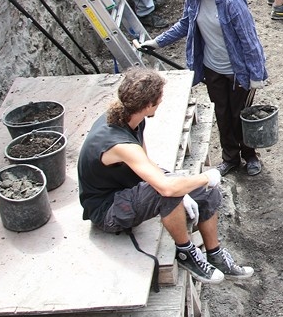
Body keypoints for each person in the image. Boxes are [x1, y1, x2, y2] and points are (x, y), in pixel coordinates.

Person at [77, 66, 254, 284]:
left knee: (205, 191)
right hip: (108, 211)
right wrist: (207, 176)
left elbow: (146, 163)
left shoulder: (133, 119)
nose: (161, 102)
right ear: (148, 104)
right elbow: (166, 188)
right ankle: (185, 253)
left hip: (128, 190)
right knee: (167, 192)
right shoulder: (117, 142)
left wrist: (193, 187)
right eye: (159, 100)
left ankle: (215, 253)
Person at [138, 0, 269, 176]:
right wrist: (158, 42)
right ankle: (230, 158)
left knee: (240, 116)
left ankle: (249, 155)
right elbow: (185, 24)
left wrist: (256, 74)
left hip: (237, 72)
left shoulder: (231, 0)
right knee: (222, 113)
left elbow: (249, 39)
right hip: (212, 68)